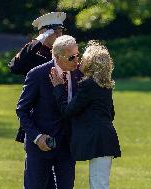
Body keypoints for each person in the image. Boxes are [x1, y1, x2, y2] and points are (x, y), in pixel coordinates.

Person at [49, 41, 121, 189]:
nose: (79, 60)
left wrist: (58, 89)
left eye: (83, 58)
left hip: (98, 141)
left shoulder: (88, 85)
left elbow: (67, 111)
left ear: (90, 63)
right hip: (105, 139)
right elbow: (110, 114)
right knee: (99, 183)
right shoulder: (104, 85)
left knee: (98, 184)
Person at [16, 35, 81, 189]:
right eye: (72, 57)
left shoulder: (80, 73)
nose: (77, 61)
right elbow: (22, 110)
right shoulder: (37, 74)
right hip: (41, 146)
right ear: (58, 57)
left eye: (78, 55)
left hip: (67, 147)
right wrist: (37, 137)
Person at [9, 12, 67, 143]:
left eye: (60, 31)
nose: (59, 35)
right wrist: (40, 39)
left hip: (62, 117)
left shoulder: (66, 55)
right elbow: (15, 66)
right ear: (43, 33)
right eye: (54, 32)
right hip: (38, 120)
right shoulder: (34, 55)